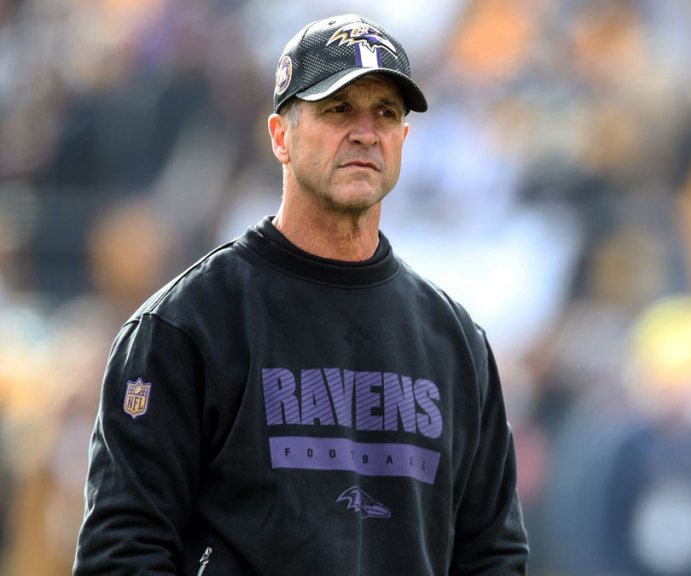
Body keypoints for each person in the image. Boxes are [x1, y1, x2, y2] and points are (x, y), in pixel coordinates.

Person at [73, 14, 529, 575]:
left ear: (403, 140)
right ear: (280, 136)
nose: (365, 130)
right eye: (338, 108)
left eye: (385, 112)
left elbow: (493, 554)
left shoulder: (455, 340)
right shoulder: (187, 325)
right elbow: (123, 549)